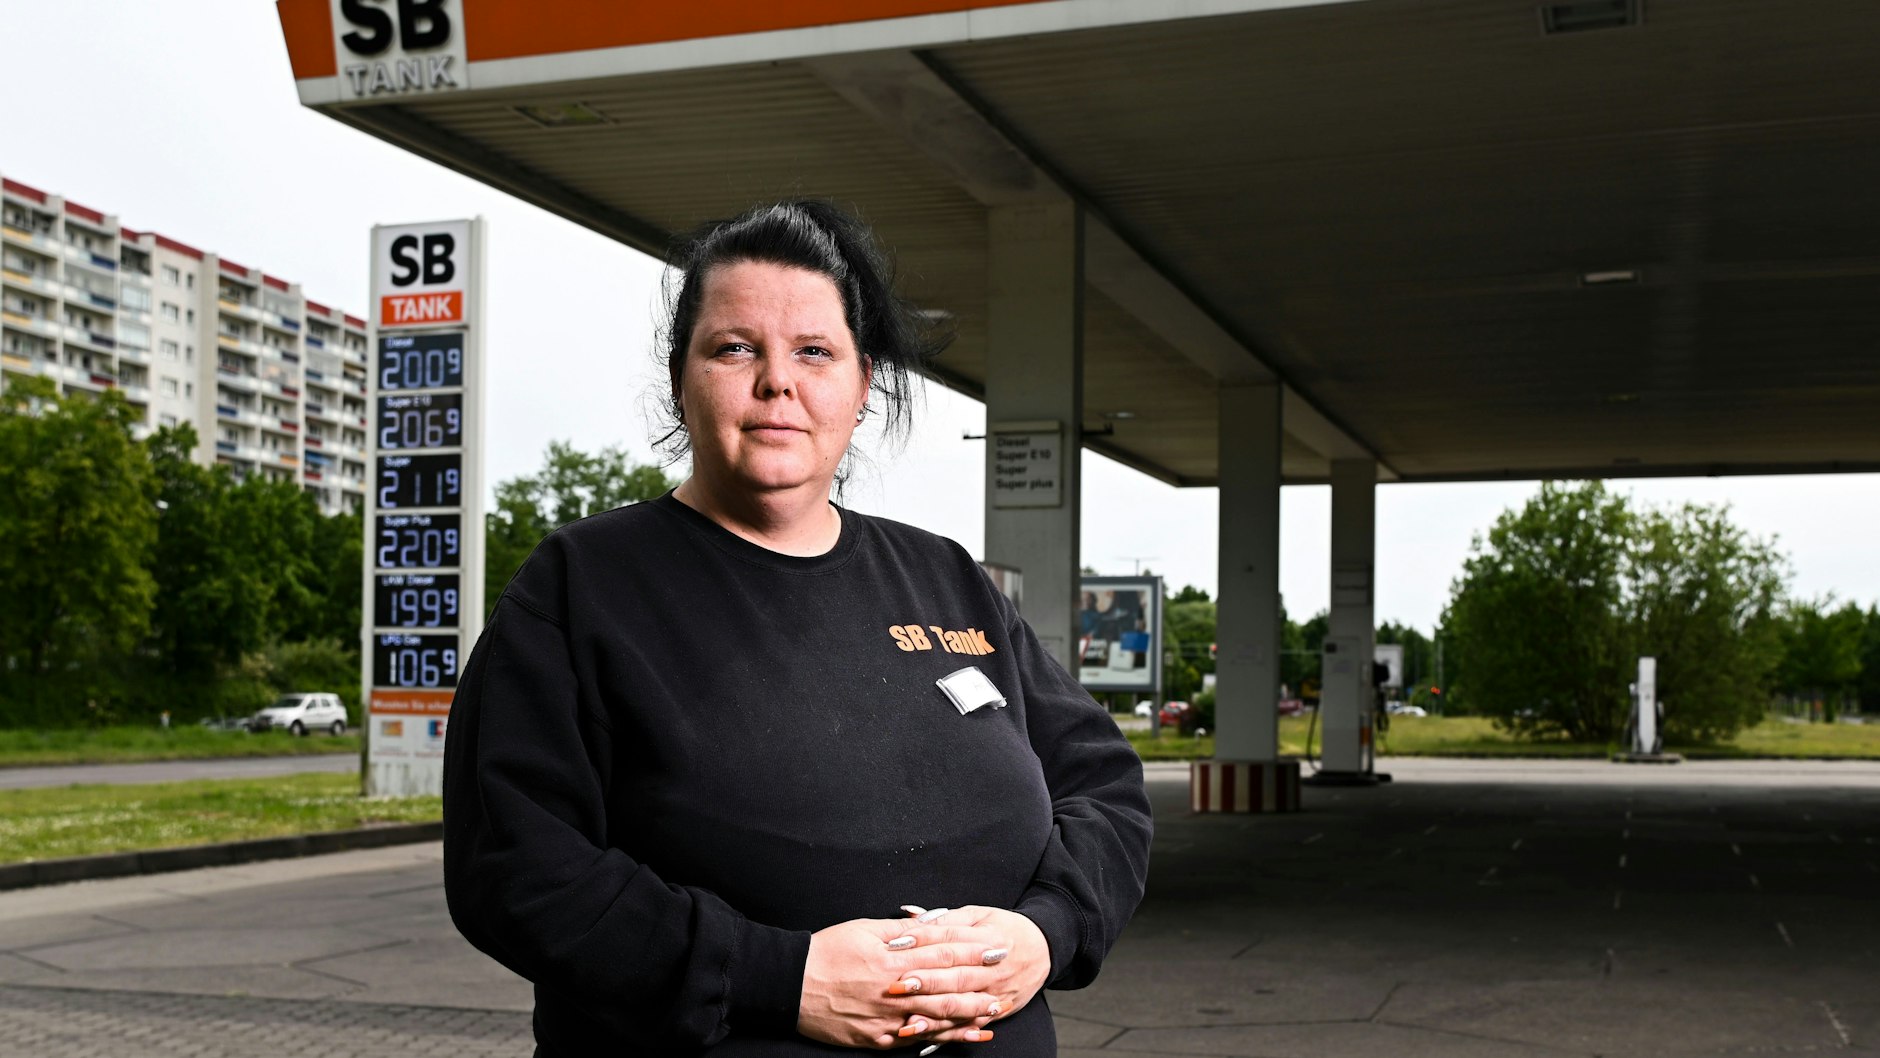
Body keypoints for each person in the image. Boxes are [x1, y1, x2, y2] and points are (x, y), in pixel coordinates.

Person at [442, 201, 1152, 1055]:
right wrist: (779, 978)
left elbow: (1104, 787)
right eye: (735, 347)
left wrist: (1045, 934)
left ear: (863, 387)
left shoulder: (948, 582)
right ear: (681, 378)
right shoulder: (581, 588)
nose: (777, 380)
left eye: (814, 351)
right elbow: (515, 870)